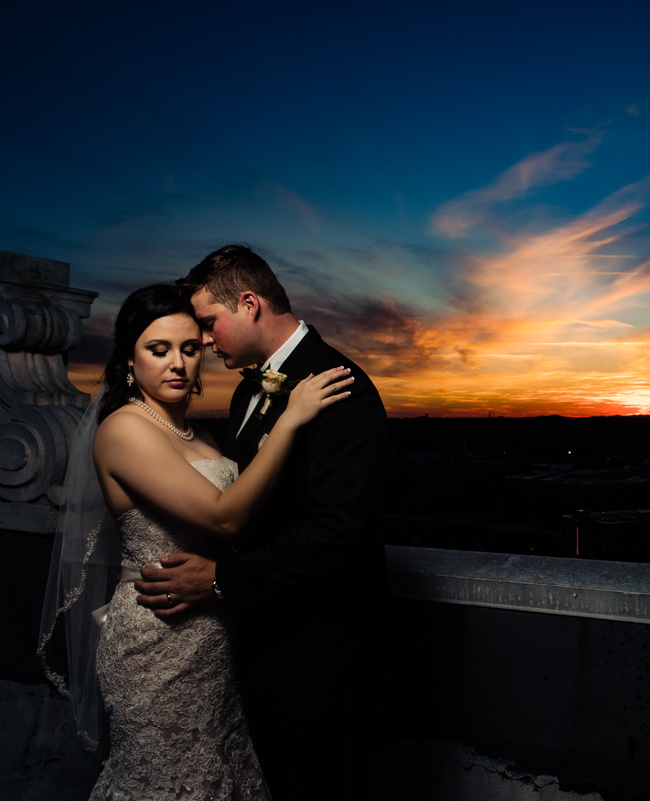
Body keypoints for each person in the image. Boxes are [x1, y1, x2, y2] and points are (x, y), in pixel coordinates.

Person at [38, 283, 351, 800]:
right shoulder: (124, 430)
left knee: (219, 774)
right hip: (157, 641)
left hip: (213, 638)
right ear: (129, 362)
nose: (178, 363)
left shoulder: (195, 435)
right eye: (158, 350)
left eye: (189, 348)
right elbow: (224, 518)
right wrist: (289, 419)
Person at [133, 245, 391, 801]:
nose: (203, 340)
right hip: (257, 649)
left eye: (208, 323)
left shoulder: (340, 387)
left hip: (320, 662)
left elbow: (341, 533)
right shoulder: (252, 387)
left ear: (249, 304)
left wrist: (222, 580)